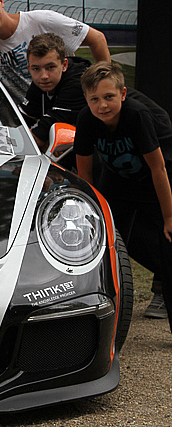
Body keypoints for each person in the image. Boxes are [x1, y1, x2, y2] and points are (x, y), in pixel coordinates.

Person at [74, 61, 172, 331]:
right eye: (95, 99)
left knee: (169, 247)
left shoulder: (137, 115)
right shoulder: (86, 119)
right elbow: (85, 173)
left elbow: (158, 168)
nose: (102, 105)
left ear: (123, 94)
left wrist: (168, 217)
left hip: (153, 181)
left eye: (109, 97)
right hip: (118, 182)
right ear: (86, 99)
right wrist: (89, 217)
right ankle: (103, 322)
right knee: (104, 246)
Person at [0, 0, 110, 102]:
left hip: (66, 103)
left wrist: (106, 85)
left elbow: (97, 39)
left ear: (1, 2)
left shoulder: (42, 20)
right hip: (26, 116)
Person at [19, 32, 90, 152]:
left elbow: (39, 137)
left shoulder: (79, 81)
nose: (44, 76)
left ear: (64, 65)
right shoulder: (42, 82)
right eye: (36, 68)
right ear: (29, 68)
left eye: (50, 67)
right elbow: (22, 119)